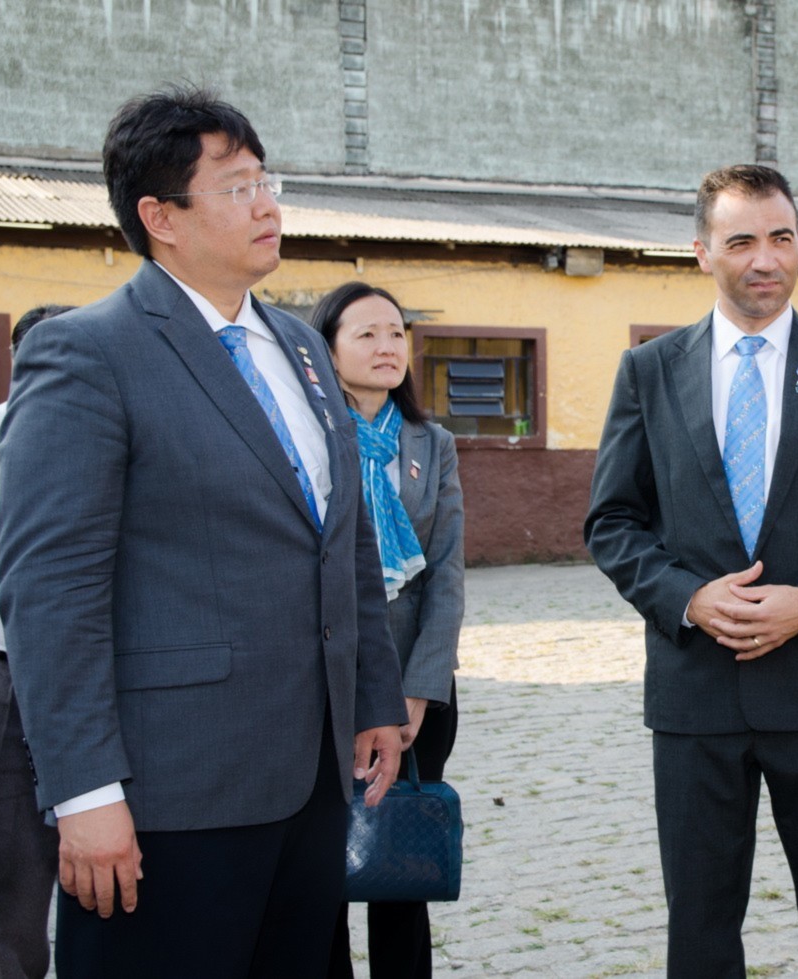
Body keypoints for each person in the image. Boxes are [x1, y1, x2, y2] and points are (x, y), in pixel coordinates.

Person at [0, 86, 408, 977]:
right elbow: (51, 589)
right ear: (161, 217)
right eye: (236, 187)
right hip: (169, 793)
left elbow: (344, 540)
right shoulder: (90, 352)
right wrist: (84, 790)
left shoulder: (301, 347)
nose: (267, 206)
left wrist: (373, 693)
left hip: (309, 778)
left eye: (267, 182)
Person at [584, 164, 798, 979]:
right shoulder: (650, 371)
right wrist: (689, 597)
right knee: (700, 915)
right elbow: (613, 522)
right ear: (702, 251)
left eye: (781, 238)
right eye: (740, 241)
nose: (764, 259)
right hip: (696, 691)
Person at [314, 282, 465, 979]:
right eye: (367, 333)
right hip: (324, 684)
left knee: (400, 857)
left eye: (397, 333)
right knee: (321, 858)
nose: (387, 347)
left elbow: (447, 574)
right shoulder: (307, 436)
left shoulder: (431, 444)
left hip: (414, 685)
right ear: (328, 349)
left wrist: (419, 692)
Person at [0, 304, 73, 979]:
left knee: (117, 885)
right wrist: (24, 501)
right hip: (3, 679)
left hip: (108, 679)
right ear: (17, 361)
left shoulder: (127, 433)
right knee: (4, 889)